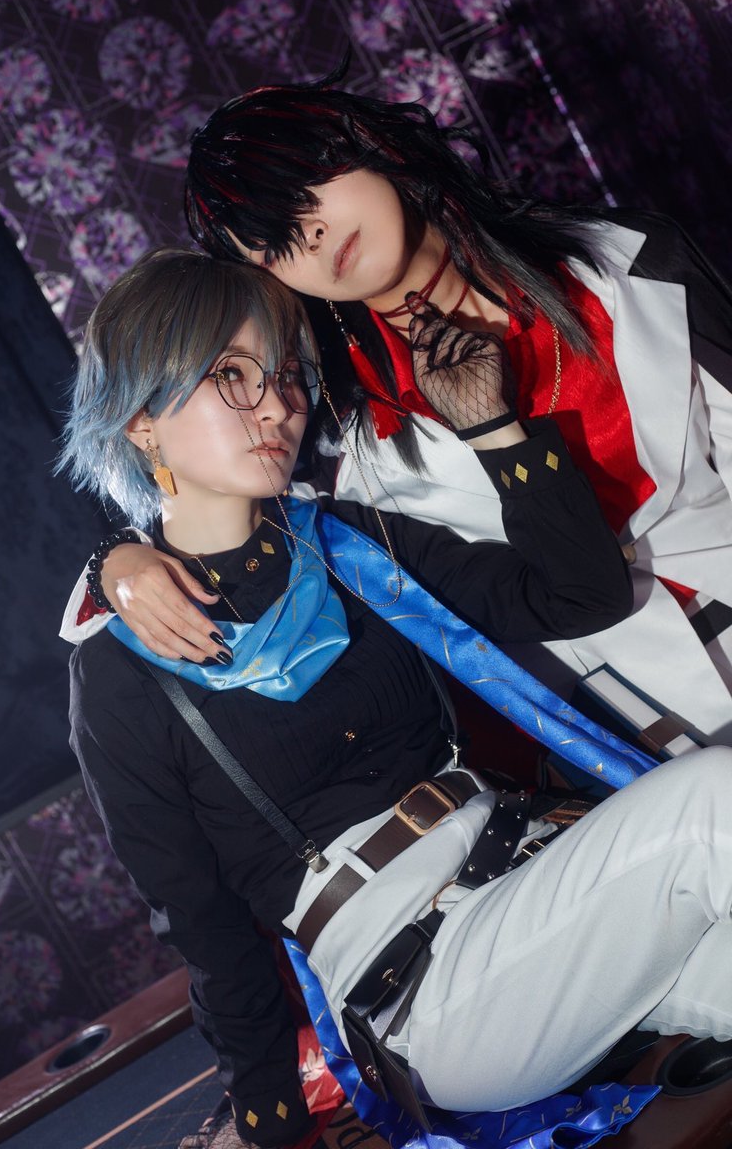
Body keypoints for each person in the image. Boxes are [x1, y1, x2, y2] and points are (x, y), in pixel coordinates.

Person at [63, 248, 732, 1149]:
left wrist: (494, 427)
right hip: (433, 991)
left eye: (286, 376)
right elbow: (205, 925)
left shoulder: (349, 543)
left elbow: (583, 597)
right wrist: (268, 1119)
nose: (277, 406)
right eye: (232, 376)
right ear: (142, 420)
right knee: (715, 794)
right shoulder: (118, 671)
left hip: (554, 891)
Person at [67, 69, 732, 747]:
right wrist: (116, 563)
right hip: (643, 716)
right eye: (277, 243)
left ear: (363, 141)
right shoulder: (331, 426)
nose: (313, 235)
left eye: (306, 189)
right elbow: (225, 523)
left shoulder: (620, 261)